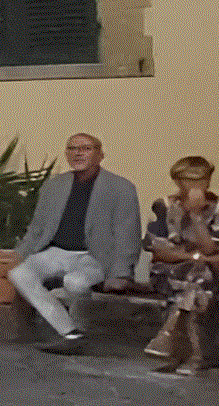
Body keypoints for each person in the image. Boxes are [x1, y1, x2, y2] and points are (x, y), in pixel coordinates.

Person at [10, 134, 145, 354]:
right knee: (19, 274)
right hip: (55, 251)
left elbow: (127, 234)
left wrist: (121, 273)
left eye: (86, 148)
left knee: (75, 282)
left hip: (94, 256)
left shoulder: (121, 188)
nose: (78, 153)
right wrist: (20, 254)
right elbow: (37, 227)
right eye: (72, 148)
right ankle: (71, 333)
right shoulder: (54, 186)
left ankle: (76, 324)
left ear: (100, 154)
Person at [143, 157, 219, 374]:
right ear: (178, 181)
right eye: (188, 179)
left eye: (202, 179)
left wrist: (196, 217)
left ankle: (174, 346)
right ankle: (196, 355)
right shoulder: (163, 206)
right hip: (169, 271)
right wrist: (200, 258)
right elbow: (160, 252)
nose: (196, 185)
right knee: (198, 280)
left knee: (197, 282)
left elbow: (213, 249)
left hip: (208, 274)